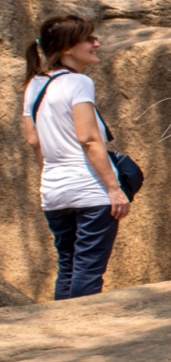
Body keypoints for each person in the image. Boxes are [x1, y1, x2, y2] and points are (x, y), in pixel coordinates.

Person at [19, 15, 130, 299]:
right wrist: (114, 190)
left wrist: (55, 176)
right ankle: (89, 334)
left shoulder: (34, 84)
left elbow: (33, 140)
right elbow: (89, 139)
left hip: (54, 192)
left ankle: (66, 332)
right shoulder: (78, 82)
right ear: (68, 48)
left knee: (67, 267)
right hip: (89, 191)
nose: (97, 44)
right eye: (89, 39)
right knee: (88, 271)